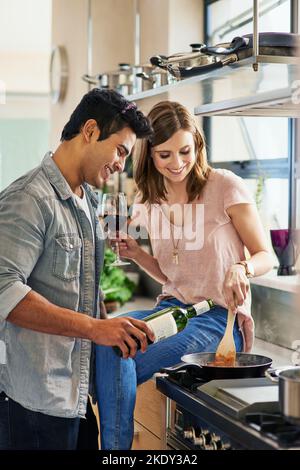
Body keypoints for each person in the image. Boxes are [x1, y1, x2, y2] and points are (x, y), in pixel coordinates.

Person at [95, 100, 274, 449]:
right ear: (150, 155)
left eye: (185, 151)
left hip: (218, 321)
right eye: (165, 155)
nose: (177, 164)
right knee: (107, 337)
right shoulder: (149, 201)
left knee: (120, 351)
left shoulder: (225, 187)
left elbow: (266, 255)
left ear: (197, 145)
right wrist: (136, 254)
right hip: (172, 310)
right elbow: (170, 274)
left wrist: (243, 267)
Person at [0, 88, 155, 450]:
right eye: (120, 150)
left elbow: (84, 289)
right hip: (31, 402)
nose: (121, 164)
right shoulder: (28, 198)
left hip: (74, 398)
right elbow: (4, 292)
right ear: (89, 130)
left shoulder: (87, 200)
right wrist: (97, 329)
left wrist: (111, 332)